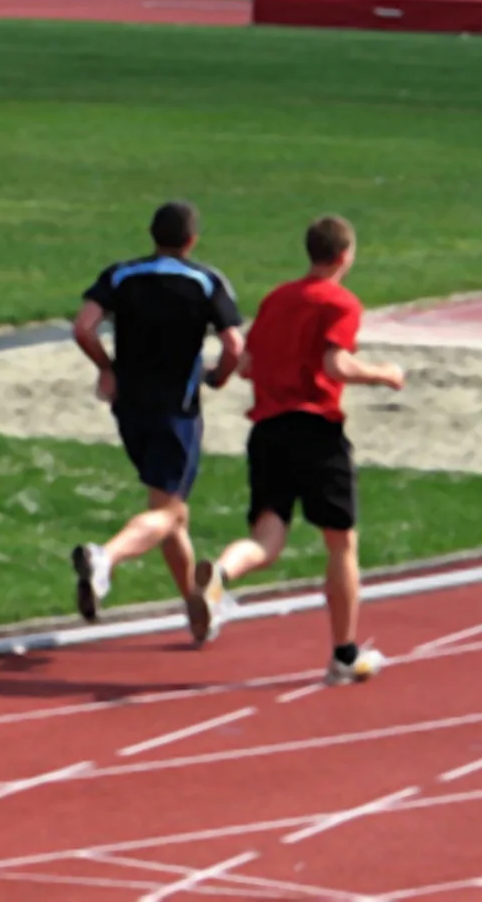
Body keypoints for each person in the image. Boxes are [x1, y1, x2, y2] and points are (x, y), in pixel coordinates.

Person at [192, 215, 405, 685]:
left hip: (268, 430)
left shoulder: (277, 299)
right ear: (345, 256)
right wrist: (384, 374)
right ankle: (344, 655)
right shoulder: (340, 302)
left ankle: (221, 575)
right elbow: (336, 363)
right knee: (341, 542)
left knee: (266, 537)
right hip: (316, 431)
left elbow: (246, 364)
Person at [70, 201, 244, 643]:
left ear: (152, 234)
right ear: (192, 239)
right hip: (176, 411)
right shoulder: (206, 281)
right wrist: (219, 378)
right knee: (167, 512)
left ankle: (198, 610)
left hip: (129, 407)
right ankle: (105, 559)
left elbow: (84, 328)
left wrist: (106, 367)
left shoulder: (120, 275)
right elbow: (233, 346)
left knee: (170, 512)